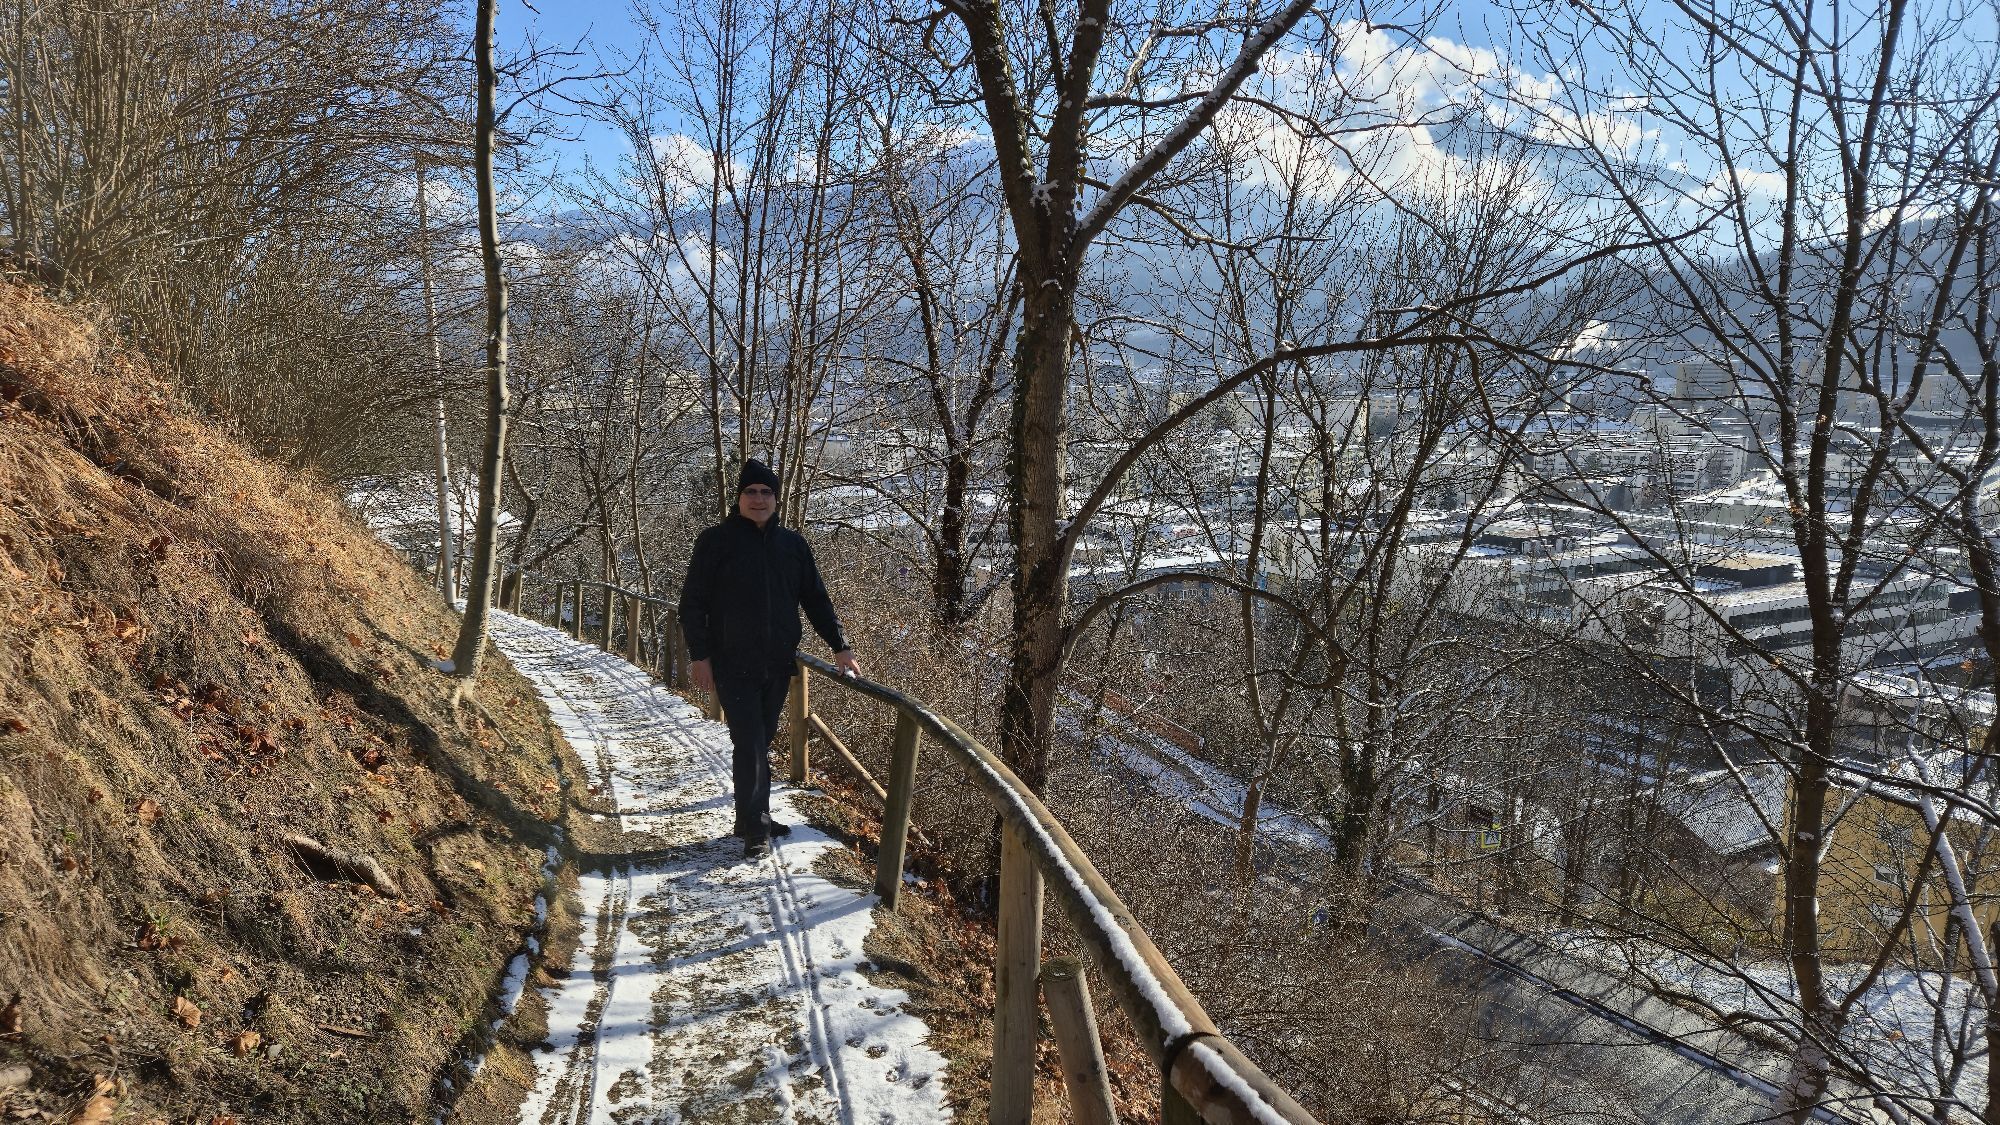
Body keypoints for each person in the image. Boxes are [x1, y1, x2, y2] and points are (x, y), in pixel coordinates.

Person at [678, 458, 861, 859]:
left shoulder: (792, 546)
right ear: (739, 498)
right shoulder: (716, 541)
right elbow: (692, 604)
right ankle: (756, 828)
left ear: (777, 499)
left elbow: (816, 599)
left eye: (766, 492)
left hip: (777, 664)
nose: (758, 499)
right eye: (750, 492)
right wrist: (700, 656)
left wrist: (840, 645)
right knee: (749, 742)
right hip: (731, 663)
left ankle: (748, 817)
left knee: (761, 742)